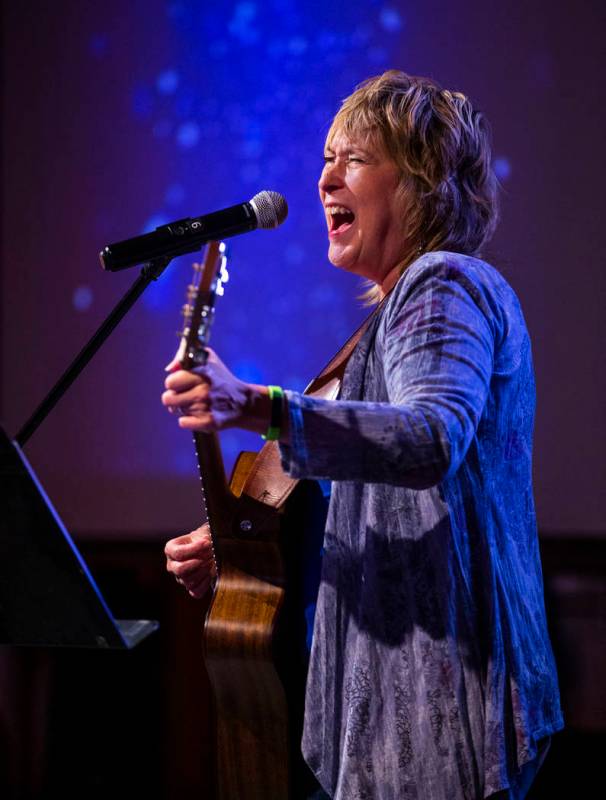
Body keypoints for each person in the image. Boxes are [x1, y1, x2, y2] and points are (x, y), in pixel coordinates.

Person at [162, 71, 563, 800]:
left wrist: (253, 403)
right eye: (323, 160)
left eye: (352, 159)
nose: (323, 181)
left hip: (440, 715)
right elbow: (359, 482)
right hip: (397, 723)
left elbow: (427, 440)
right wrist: (240, 541)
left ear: (423, 181)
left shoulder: (443, 283)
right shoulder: (387, 325)